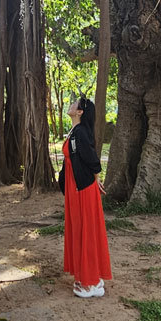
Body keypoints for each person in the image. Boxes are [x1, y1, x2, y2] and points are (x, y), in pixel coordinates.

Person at [59, 96, 112, 297]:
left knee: (86, 230)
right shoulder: (75, 132)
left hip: (83, 188)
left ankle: (90, 283)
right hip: (76, 186)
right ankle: (91, 279)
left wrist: (96, 179)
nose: (72, 104)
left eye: (76, 104)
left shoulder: (80, 133)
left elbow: (91, 158)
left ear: (80, 112)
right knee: (81, 229)